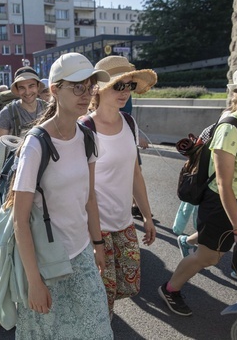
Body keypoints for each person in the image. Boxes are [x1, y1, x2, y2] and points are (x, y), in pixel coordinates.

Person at [9, 53, 112, 338]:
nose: (86, 94)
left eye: (90, 86)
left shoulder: (87, 137)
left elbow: (89, 197)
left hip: (81, 256)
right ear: (54, 89)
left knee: (96, 331)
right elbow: (20, 220)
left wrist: (98, 244)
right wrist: (34, 282)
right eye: (77, 86)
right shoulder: (36, 145)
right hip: (45, 262)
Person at [158, 61, 237, 316]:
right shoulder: (230, 128)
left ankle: (190, 240)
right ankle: (170, 288)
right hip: (224, 207)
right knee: (210, 257)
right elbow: (223, 184)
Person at [86, 55, 157, 318]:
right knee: (101, 298)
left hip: (124, 223)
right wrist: (95, 241)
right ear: (99, 88)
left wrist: (147, 216)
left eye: (129, 86)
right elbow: (85, 190)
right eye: (118, 86)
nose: (125, 92)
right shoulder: (86, 129)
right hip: (96, 228)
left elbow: (135, 174)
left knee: (126, 287)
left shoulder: (129, 123)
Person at [0, 67, 47, 143]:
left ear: (38, 86)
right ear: (17, 90)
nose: (27, 92)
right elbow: (0, 148)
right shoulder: (7, 113)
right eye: (22, 88)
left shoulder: (48, 108)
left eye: (31, 86)